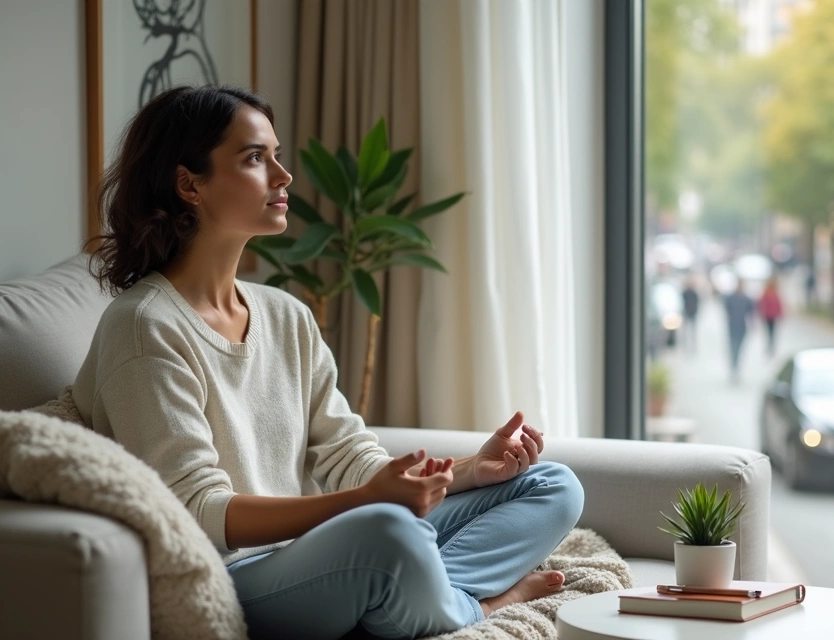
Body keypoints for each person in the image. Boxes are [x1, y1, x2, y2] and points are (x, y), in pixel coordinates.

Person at [73, 86, 583, 640]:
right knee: (390, 534)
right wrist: (366, 503)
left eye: (276, 154)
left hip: (321, 550)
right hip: (234, 577)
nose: (283, 175)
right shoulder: (144, 326)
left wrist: (471, 470)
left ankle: (410, 597)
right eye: (255, 158)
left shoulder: (285, 315)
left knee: (553, 486)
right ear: (189, 184)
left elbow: (348, 455)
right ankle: (479, 604)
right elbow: (197, 511)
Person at [721, 285, 755, 383]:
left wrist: (752, 324)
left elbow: (751, 312)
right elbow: (726, 309)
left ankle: (736, 367)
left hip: (742, 327)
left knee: (739, 349)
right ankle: (733, 367)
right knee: (733, 348)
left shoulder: (747, 299)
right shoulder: (731, 298)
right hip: (732, 326)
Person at [757, 277, 784, 357]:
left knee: (772, 332)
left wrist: (780, 313)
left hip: (773, 316)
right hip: (767, 316)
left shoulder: (775, 293)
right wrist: (762, 313)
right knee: (768, 332)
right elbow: (761, 304)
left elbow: (779, 304)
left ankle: (771, 347)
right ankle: (769, 346)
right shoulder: (766, 293)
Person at [680, 277, 701, 354]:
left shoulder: (694, 293)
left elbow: (697, 303)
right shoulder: (685, 293)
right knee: (686, 331)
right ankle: (685, 345)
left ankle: (692, 345)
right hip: (686, 312)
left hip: (692, 313)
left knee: (692, 330)